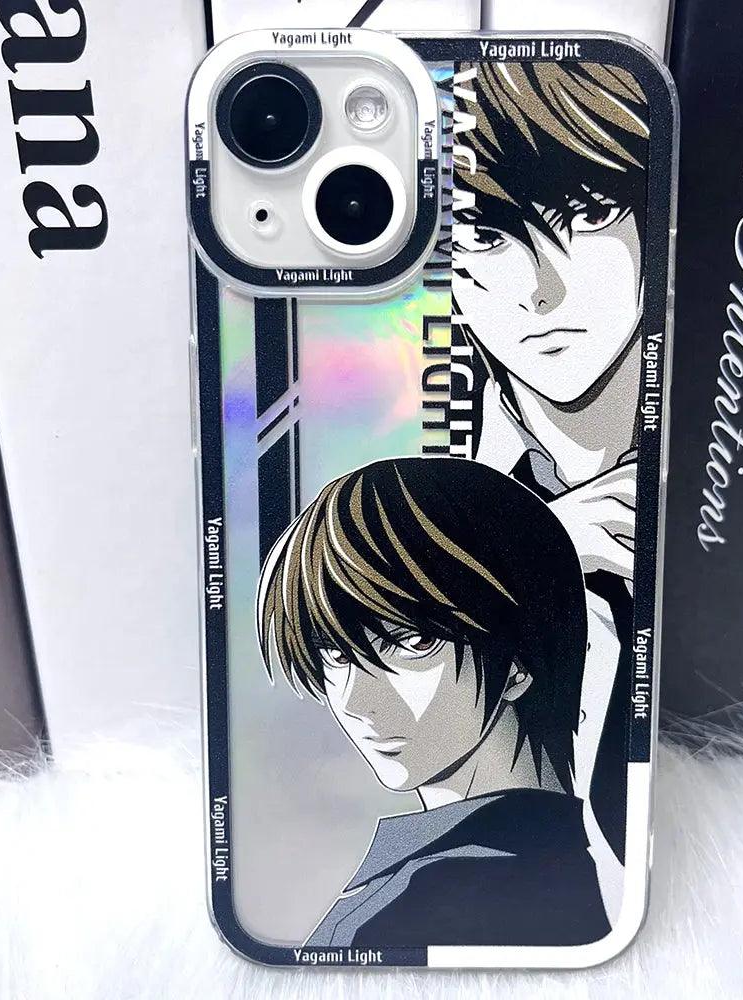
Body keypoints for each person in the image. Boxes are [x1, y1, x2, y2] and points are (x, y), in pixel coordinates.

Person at [256, 457, 610, 948]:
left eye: (411, 641)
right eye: (335, 653)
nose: (355, 700)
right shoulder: (546, 867)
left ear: (518, 661)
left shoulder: (432, 897)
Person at [452, 61, 651, 877]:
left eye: (589, 213)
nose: (544, 291)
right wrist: (534, 558)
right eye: (486, 236)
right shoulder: (435, 496)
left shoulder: (733, 438)